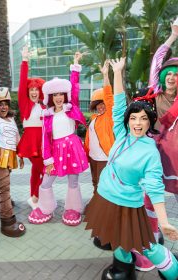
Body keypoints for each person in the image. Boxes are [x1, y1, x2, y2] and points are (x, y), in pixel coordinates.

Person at [84, 57, 178, 280]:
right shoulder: (120, 133)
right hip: (106, 197)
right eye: (133, 117)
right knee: (116, 238)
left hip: (128, 204)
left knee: (144, 245)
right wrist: (117, 73)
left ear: (149, 122)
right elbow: (117, 102)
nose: (137, 122)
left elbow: (155, 188)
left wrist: (164, 221)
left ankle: (172, 269)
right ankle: (122, 270)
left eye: (143, 119)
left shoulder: (150, 151)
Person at [135, 19, 178, 271]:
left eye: (176, 74)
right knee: (150, 199)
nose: (172, 77)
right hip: (156, 156)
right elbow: (157, 60)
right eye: (168, 73)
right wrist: (172, 36)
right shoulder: (155, 92)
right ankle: (150, 240)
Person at [28, 52, 89, 226]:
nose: (59, 97)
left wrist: (75, 66)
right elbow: (45, 140)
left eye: (61, 94)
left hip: (72, 148)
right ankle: (46, 207)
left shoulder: (71, 108)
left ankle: (73, 209)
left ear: (65, 95)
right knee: (46, 182)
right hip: (55, 151)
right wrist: (48, 160)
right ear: (50, 97)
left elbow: (75, 87)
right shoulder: (46, 115)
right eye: (55, 95)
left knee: (73, 181)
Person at [84, 60, 115, 250]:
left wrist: (106, 75)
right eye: (98, 104)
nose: (101, 106)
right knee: (96, 187)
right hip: (94, 159)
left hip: (105, 160)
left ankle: (107, 222)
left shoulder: (110, 115)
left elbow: (111, 97)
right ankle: (99, 218)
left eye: (103, 103)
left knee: (105, 191)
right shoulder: (95, 118)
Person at [0, 87, 26, 237]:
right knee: (5, 189)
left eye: (6, 103)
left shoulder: (11, 119)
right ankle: (7, 221)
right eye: (0, 104)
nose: (3, 107)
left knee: (3, 183)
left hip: (10, 154)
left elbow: (17, 136)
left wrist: (21, 155)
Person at [17, 45, 45, 209]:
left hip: (44, 142)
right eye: (31, 89)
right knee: (38, 168)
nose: (34, 92)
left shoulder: (44, 106)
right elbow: (21, 83)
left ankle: (35, 196)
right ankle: (36, 196)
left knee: (39, 170)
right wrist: (25, 60)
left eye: (36, 89)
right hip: (30, 142)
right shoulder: (25, 103)